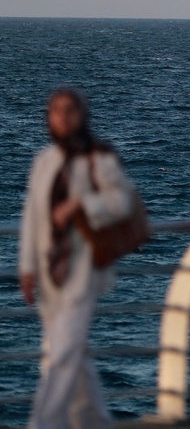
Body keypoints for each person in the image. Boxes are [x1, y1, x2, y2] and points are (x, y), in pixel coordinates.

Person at [18, 88, 138, 429]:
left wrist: (81, 203)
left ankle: (43, 423)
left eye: (70, 110)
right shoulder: (45, 160)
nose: (63, 117)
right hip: (49, 272)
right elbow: (32, 217)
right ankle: (98, 421)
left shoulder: (98, 158)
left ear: (82, 115)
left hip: (83, 272)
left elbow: (122, 203)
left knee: (60, 356)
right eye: (56, 110)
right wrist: (27, 267)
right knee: (72, 354)